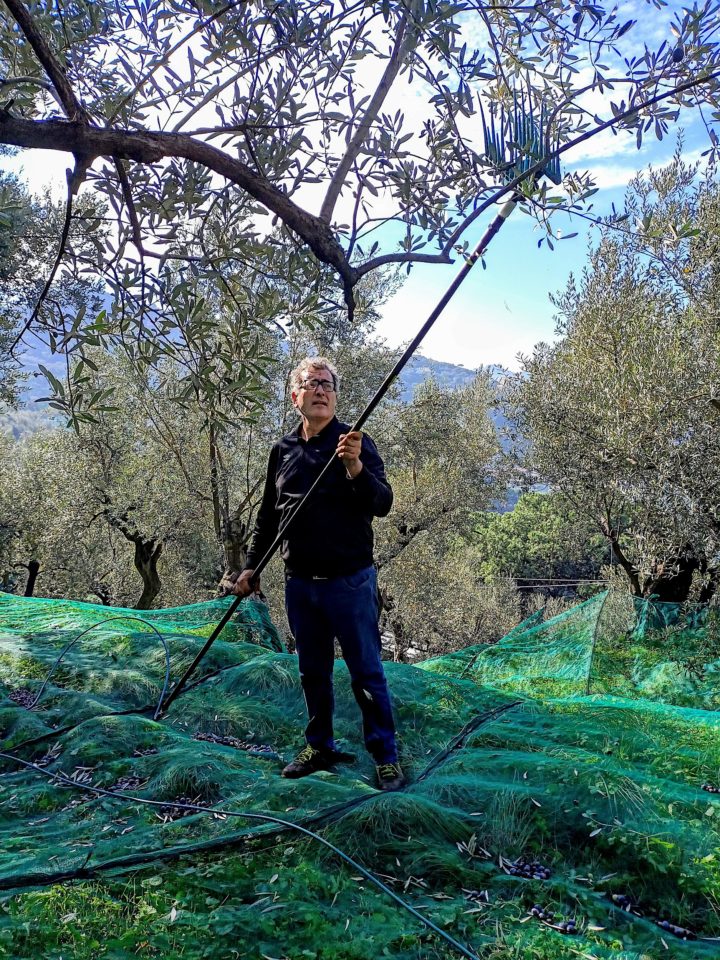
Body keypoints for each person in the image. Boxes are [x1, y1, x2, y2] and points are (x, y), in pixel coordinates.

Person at [226, 357, 405, 791]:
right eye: (311, 384)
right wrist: (251, 564)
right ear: (295, 397)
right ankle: (319, 745)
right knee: (312, 671)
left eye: (327, 384)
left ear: (336, 396)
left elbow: (382, 504)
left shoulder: (355, 443)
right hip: (300, 584)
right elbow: (269, 516)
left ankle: (385, 755)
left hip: (351, 582)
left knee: (365, 671)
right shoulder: (282, 450)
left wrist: (355, 468)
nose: (320, 390)